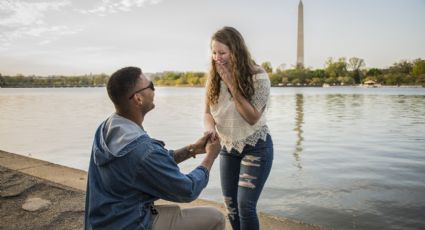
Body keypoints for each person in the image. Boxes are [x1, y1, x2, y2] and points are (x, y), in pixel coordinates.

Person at [85, 66, 225, 230]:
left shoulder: (106, 129)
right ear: (138, 99)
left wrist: (191, 150)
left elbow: (146, 164)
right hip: (131, 223)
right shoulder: (142, 150)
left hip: (107, 221)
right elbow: (187, 190)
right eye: (150, 86)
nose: (154, 89)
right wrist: (210, 157)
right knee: (215, 218)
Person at [204, 26, 273, 230]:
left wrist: (232, 84)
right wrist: (209, 130)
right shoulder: (212, 78)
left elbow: (252, 118)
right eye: (214, 52)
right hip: (228, 148)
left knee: (245, 205)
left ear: (236, 51)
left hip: (256, 147)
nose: (217, 58)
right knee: (231, 206)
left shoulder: (258, 76)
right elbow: (207, 113)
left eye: (222, 53)